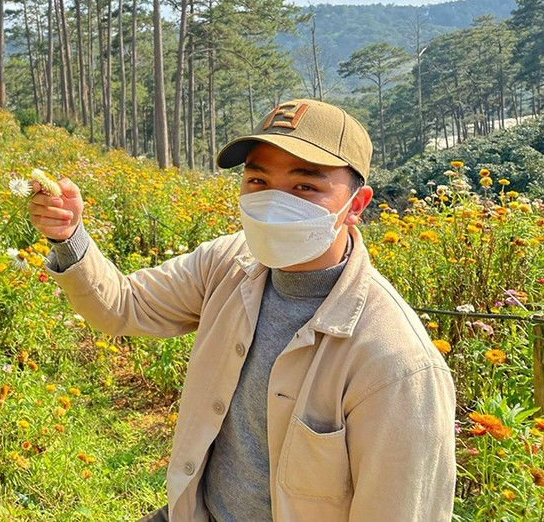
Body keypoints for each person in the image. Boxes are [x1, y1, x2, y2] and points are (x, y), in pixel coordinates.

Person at [28, 99, 456, 522]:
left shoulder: (397, 364)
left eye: (304, 186)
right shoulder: (229, 262)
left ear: (357, 205)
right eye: (257, 181)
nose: (273, 203)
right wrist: (70, 236)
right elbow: (124, 306)